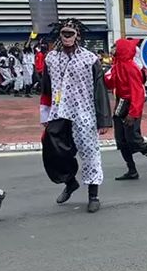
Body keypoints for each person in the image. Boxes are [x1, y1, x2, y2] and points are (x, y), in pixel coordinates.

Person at [39, 18, 112, 213]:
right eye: (64, 33)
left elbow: (99, 90)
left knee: (90, 153)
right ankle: (70, 182)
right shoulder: (51, 59)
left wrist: (103, 119)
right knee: (53, 150)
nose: (67, 37)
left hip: (84, 113)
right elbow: (46, 87)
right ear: (60, 35)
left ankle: (93, 195)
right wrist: (44, 114)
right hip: (58, 112)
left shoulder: (90, 59)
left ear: (77, 35)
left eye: (71, 33)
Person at [105, 38, 147, 180]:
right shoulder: (117, 65)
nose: (112, 49)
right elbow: (111, 84)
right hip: (121, 102)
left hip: (130, 104)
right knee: (121, 139)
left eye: (115, 47)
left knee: (133, 137)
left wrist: (133, 113)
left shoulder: (131, 67)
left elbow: (137, 93)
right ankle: (132, 170)